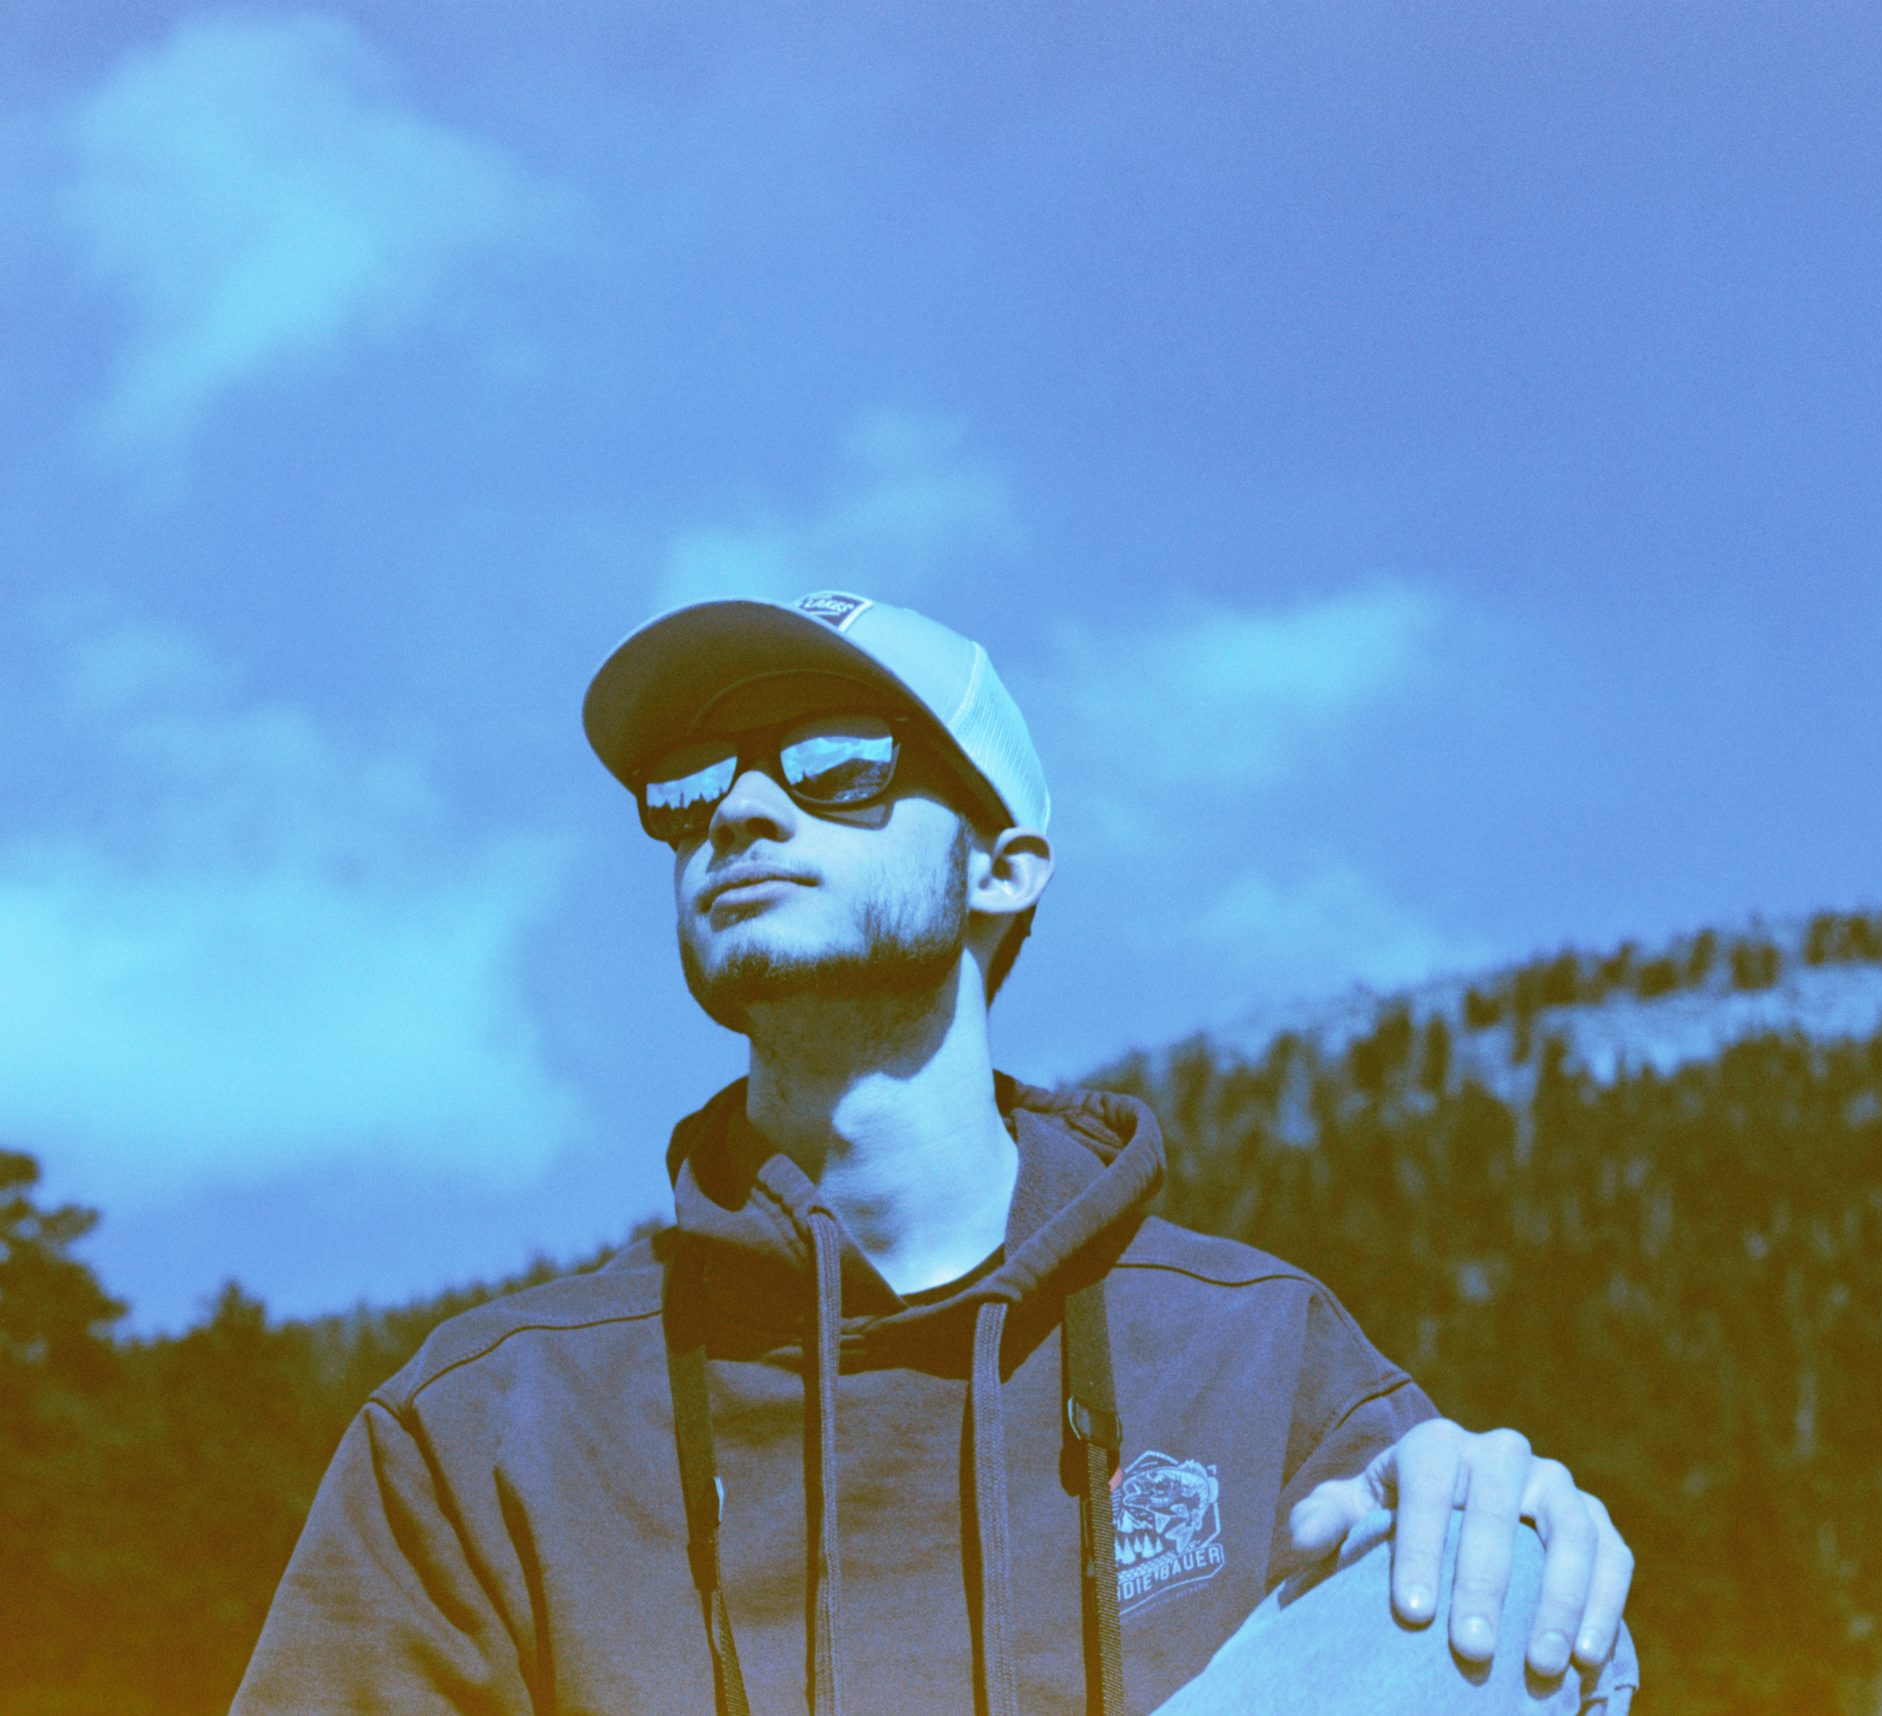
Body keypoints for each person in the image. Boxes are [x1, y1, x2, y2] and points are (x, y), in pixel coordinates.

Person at [233, 591, 1639, 1715]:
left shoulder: (1257, 1365)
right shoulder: (491, 1426)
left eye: (839, 766)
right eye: (694, 785)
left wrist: (1517, 1527)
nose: (737, 814)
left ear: (1007, 864)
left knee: (1503, 1588)